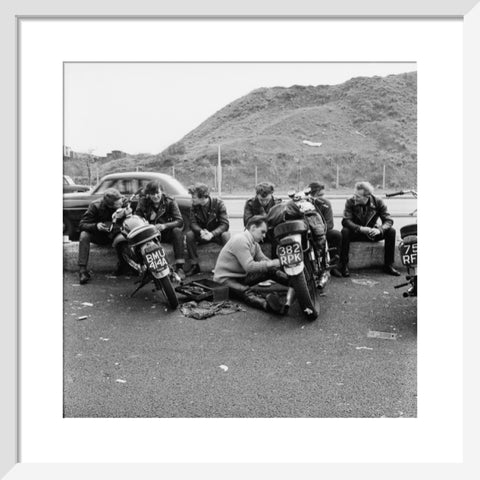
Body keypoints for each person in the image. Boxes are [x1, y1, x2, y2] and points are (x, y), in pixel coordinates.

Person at [213, 215, 287, 314]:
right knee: (246, 292)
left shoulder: (254, 244)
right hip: (225, 281)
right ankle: (267, 305)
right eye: (263, 232)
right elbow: (249, 267)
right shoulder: (240, 239)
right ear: (253, 228)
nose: (264, 236)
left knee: (270, 269)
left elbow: (265, 261)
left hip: (241, 278)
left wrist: (283, 264)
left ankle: (293, 283)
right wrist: (272, 263)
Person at [340, 181, 400, 277]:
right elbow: (346, 221)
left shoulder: (378, 201)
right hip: (356, 232)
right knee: (345, 231)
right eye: (354, 195)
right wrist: (360, 228)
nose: (355, 197)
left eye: (358, 196)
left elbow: (388, 220)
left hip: (372, 233)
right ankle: (344, 265)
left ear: (367, 197)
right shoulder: (350, 201)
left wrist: (379, 230)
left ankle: (388, 265)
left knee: (391, 231)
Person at [77, 188, 131, 285]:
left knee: (125, 234)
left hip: (116, 234)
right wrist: (96, 226)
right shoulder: (95, 206)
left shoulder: (123, 201)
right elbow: (82, 225)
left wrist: (128, 211)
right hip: (100, 235)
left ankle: (125, 266)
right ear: (110, 205)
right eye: (118, 204)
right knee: (84, 235)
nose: (121, 204)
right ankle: (82, 271)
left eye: (121, 201)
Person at [134, 180, 186, 279]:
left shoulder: (170, 201)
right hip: (150, 234)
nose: (155, 196)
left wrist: (164, 226)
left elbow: (179, 221)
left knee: (177, 231)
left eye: (157, 193)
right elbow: (137, 218)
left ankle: (180, 267)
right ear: (148, 194)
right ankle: (143, 267)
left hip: (166, 233)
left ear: (162, 191)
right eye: (152, 194)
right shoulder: (143, 201)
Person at [185, 183, 231, 276]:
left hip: (216, 235)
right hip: (202, 234)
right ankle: (195, 265)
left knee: (226, 235)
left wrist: (212, 234)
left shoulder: (218, 203)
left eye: (194, 197)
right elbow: (192, 223)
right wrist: (201, 231)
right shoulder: (194, 206)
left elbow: (225, 224)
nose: (192, 199)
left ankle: (228, 265)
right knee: (189, 235)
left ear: (202, 197)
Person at [307, 182, 342, 278]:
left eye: (323, 195)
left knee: (336, 235)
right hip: (307, 232)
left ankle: (333, 266)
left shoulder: (326, 203)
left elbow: (329, 224)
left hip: (322, 231)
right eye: (319, 195)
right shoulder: (303, 203)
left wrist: (319, 232)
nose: (321, 198)